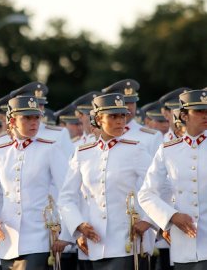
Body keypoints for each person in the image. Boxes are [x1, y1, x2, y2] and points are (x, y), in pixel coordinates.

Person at [0, 95, 69, 270]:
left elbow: (68, 192)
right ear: (12, 121)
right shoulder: (0, 151)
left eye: (36, 117)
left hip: (39, 240)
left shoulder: (50, 148)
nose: (34, 122)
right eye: (27, 118)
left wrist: (66, 234)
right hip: (7, 241)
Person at [58, 93, 154, 270]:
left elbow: (160, 186)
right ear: (98, 119)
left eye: (122, 115)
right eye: (113, 116)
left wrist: (148, 221)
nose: (120, 121)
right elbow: (66, 198)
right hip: (96, 243)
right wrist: (78, 225)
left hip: (129, 243)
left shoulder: (136, 150)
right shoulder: (82, 153)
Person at [138, 89, 207, 270]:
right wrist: (171, 216)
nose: (205, 115)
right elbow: (146, 194)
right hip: (184, 245)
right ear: (184, 115)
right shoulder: (168, 150)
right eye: (199, 111)